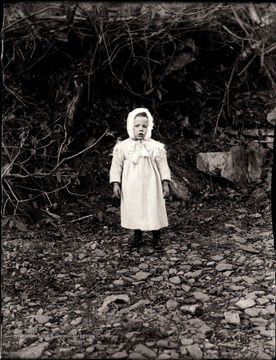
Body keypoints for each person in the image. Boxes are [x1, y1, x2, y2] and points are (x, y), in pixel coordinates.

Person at [109, 107, 171, 250]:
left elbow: (163, 165)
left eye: (144, 126)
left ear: (149, 127)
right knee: (134, 207)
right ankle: (137, 235)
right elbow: (116, 166)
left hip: (151, 184)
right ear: (131, 126)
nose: (141, 129)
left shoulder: (155, 146)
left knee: (153, 207)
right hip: (131, 184)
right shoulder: (123, 147)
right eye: (137, 126)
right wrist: (116, 183)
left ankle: (156, 236)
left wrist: (165, 183)